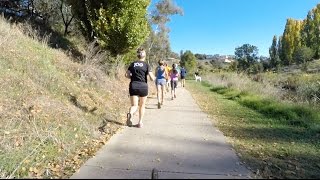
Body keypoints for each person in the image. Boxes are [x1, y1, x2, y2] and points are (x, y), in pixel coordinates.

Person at [125, 48, 155, 128]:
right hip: (143, 86)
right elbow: (152, 78)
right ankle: (140, 122)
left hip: (133, 85)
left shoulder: (132, 64)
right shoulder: (146, 65)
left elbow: (126, 75)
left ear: (138, 55)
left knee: (134, 105)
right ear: (144, 55)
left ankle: (130, 114)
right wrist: (153, 78)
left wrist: (132, 77)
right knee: (142, 105)